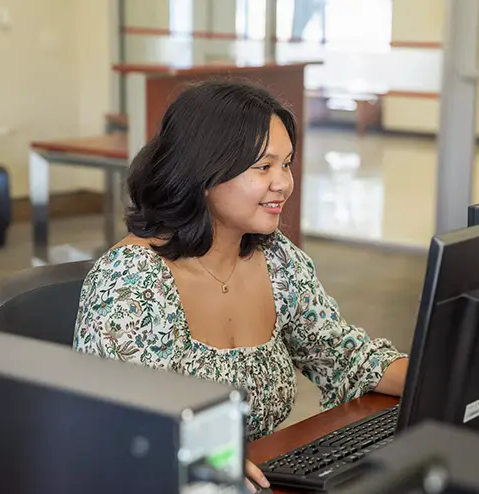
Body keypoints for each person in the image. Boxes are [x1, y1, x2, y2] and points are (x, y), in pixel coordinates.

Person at [73, 81, 409, 491]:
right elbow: (126, 434)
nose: (283, 183)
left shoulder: (276, 259)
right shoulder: (131, 283)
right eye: (263, 167)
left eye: (286, 164)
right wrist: (212, 458)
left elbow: (339, 352)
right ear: (203, 172)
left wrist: (434, 379)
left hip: (255, 478)